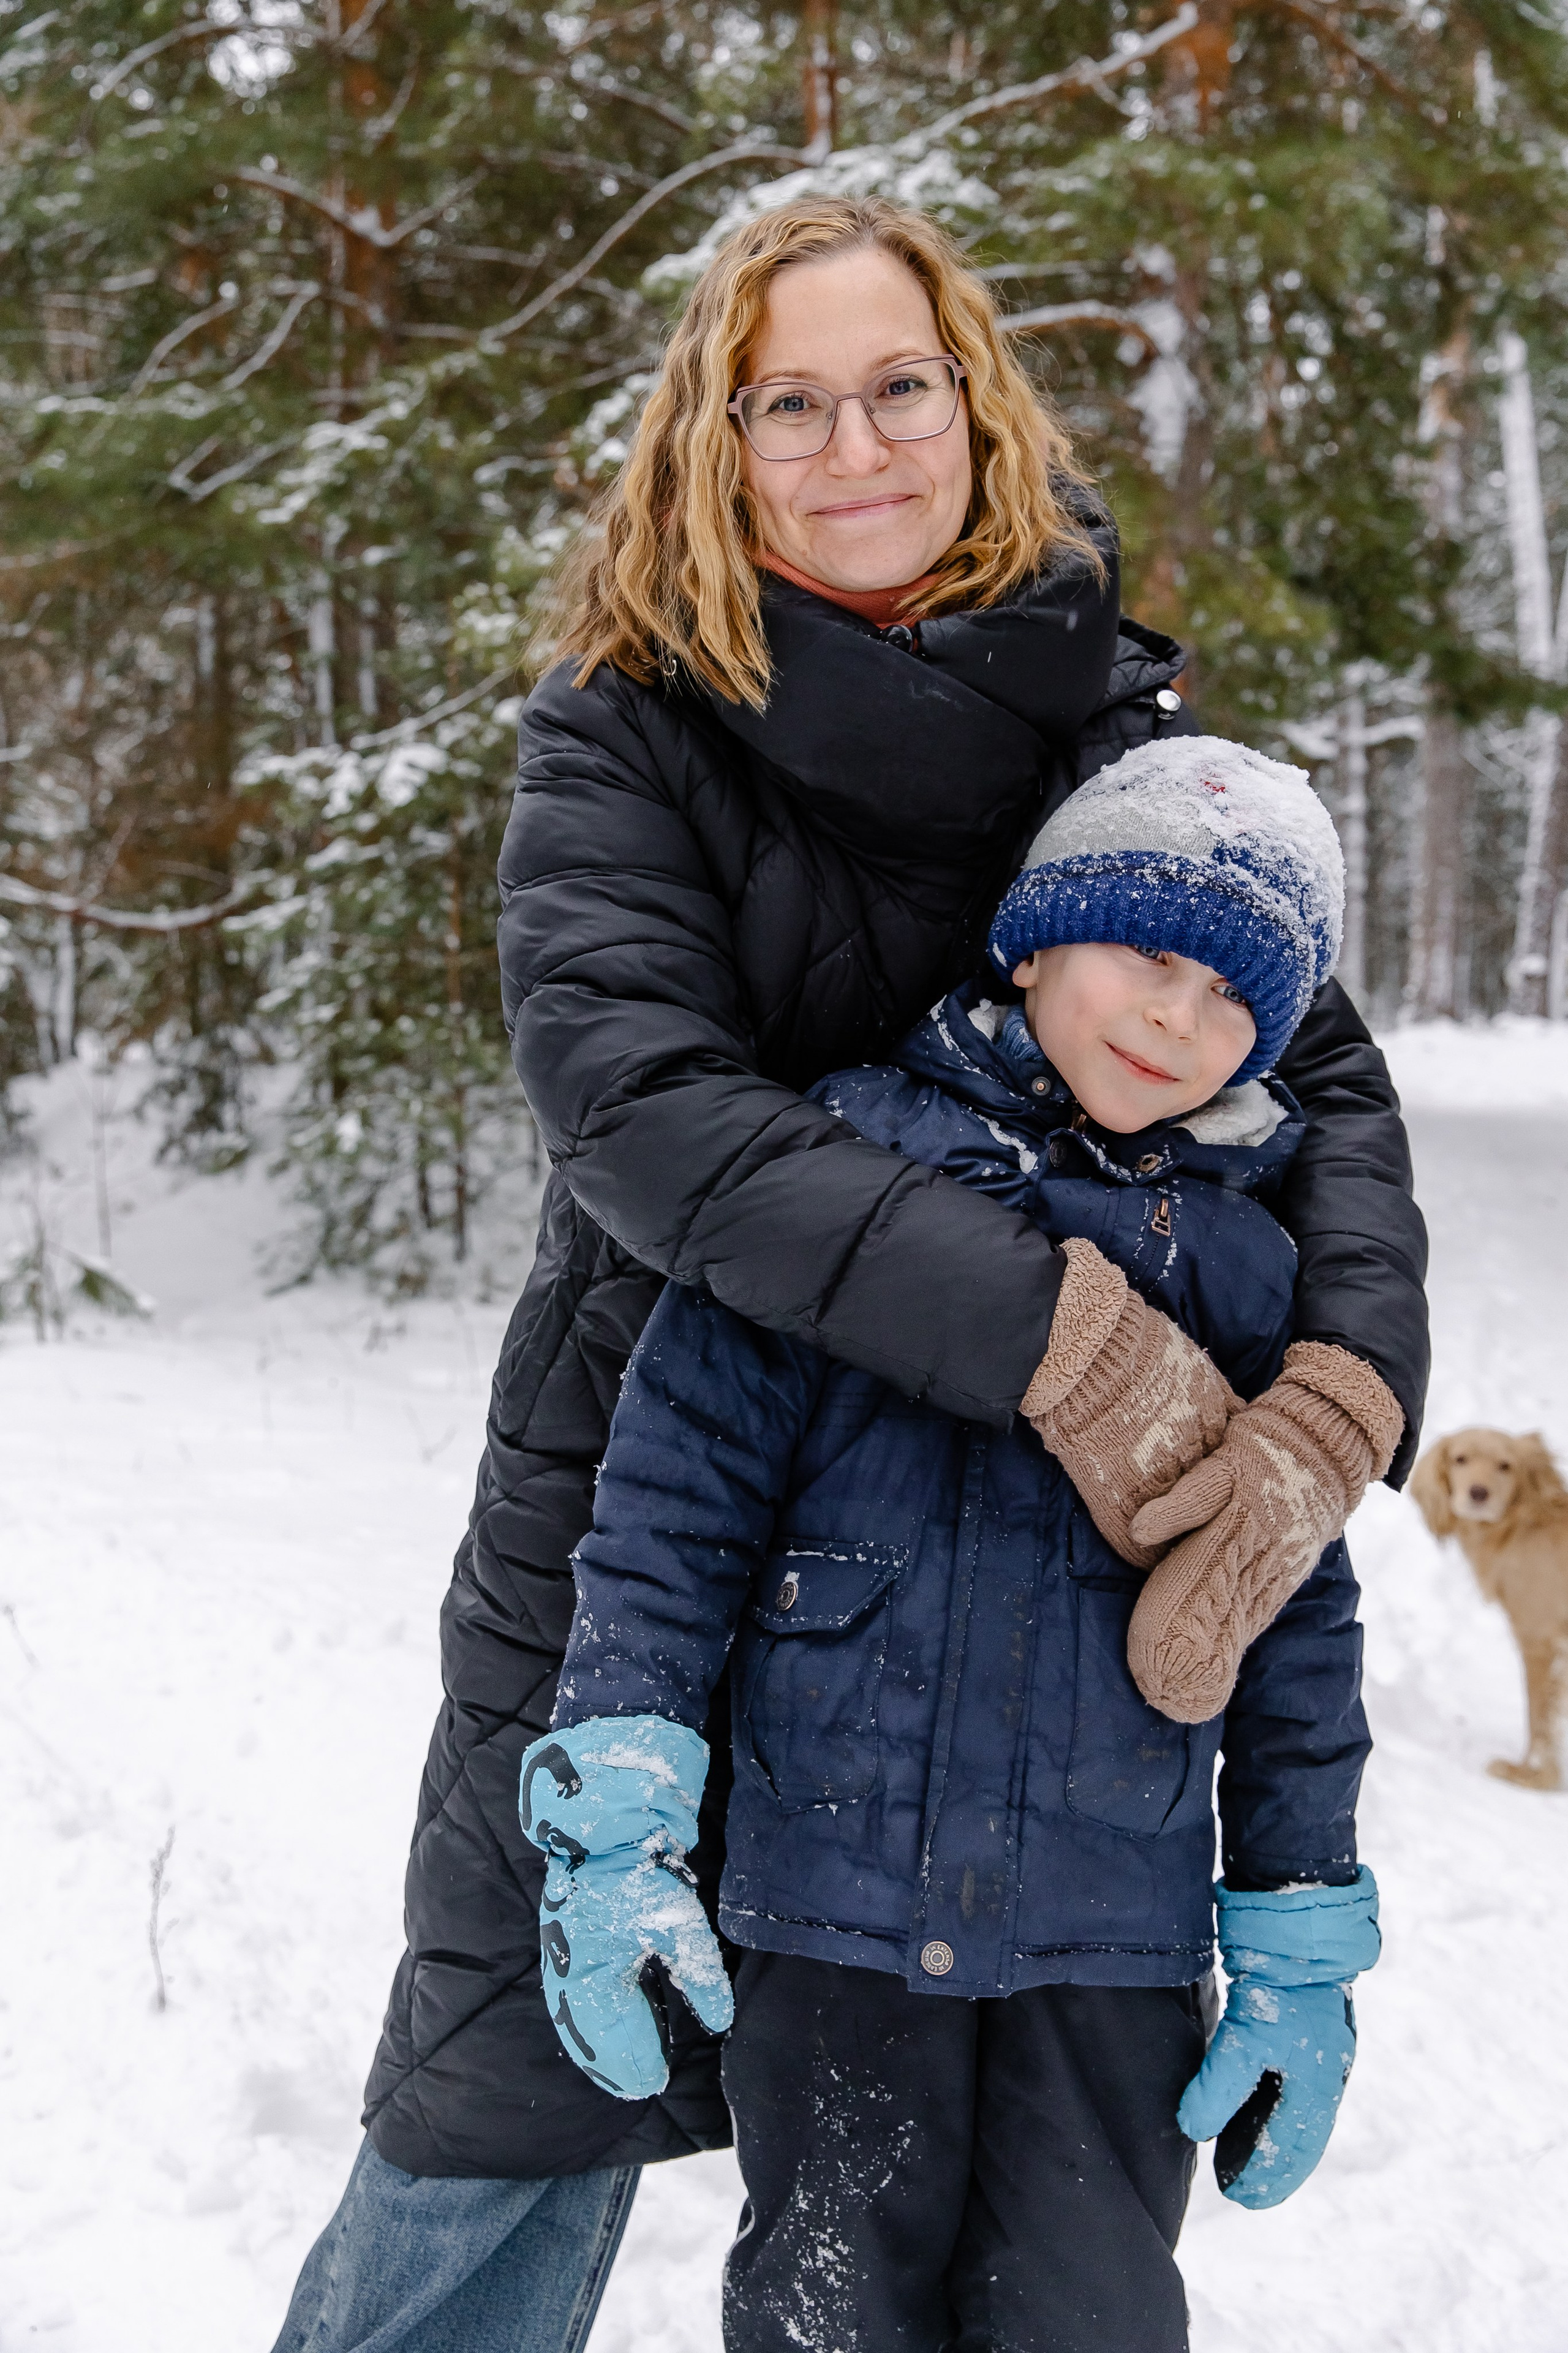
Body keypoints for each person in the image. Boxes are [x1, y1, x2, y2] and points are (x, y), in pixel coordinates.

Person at [271, 195, 1426, 2353]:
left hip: (1024, 1613)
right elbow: (642, 1112)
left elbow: (1326, 1090)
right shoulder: (625, 732)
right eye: (783, 399)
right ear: (714, 445)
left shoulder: (1104, 729)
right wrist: (1065, 1337)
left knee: (977, 2239)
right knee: (501, 2123)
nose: (851, 441)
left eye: (898, 383)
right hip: (659, 1494)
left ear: (975, 406)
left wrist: (1334, 1402)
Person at [522, 736, 1393, 2352]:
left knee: (1093, 2314)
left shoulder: (1254, 1283)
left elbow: (1299, 1626)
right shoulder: (841, 1169)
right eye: (1151, 953)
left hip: (1108, 1938)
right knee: (827, 2307)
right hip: (834, 1907)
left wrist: (1298, 1922)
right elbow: (675, 1497)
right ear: (1041, 934)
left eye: (1232, 1000)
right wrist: (622, 1796)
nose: (1176, 1019)